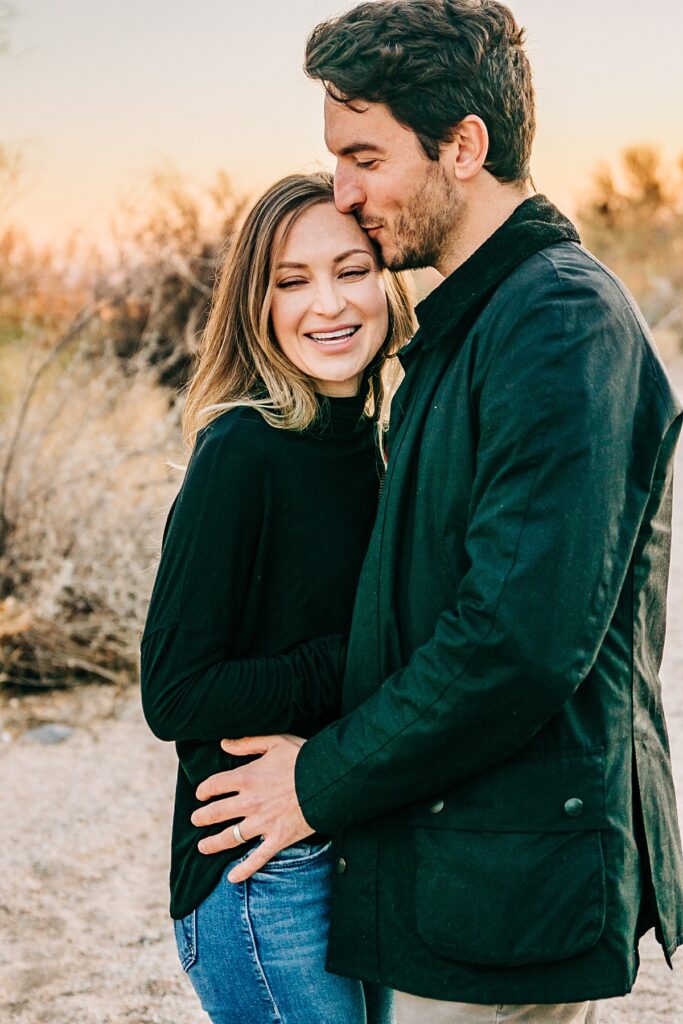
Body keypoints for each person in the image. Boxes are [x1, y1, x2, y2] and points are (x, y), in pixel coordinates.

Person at [189, 2, 683, 1023]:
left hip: (496, 894)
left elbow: (516, 638)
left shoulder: (554, 320)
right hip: (452, 873)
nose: (344, 190)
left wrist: (316, 779)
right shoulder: (466, 329)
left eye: (364, 155)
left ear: (464, 146)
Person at [140, 171, 414, 1024]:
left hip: (347, 838)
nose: (326, 304)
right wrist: (355, 661)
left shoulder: (381, 447)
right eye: (291, 281)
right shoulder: (243, 450)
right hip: (258, 873)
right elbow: (175, 691)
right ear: (256, 305)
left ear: (389, 280)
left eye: (352, 269)